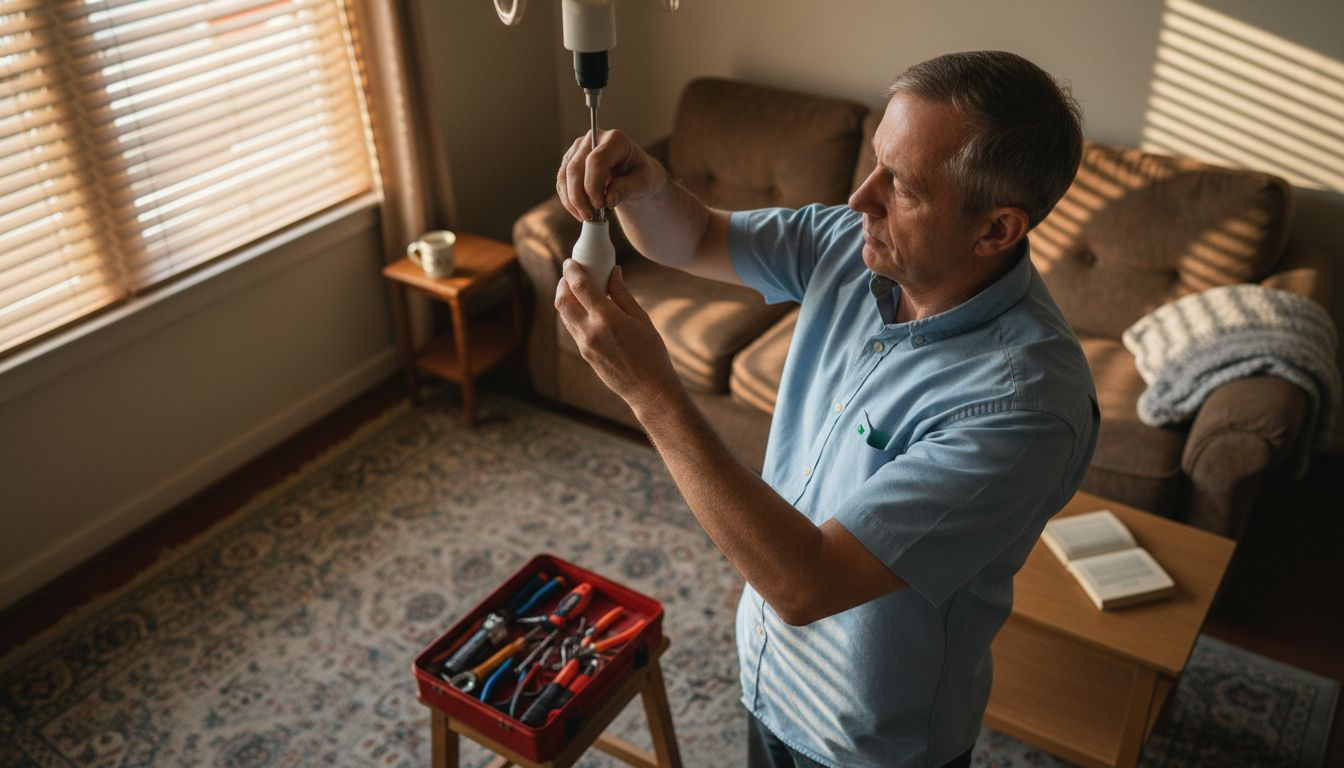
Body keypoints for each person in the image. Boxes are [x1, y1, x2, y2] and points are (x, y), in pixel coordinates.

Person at [552, 51, 1099, 768]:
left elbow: (805, 584)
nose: (859, 198)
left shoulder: (1022, 408)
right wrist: (643, 187)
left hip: (865, 738)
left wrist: (651, 393)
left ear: (996, 230)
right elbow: (694, 237)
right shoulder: (854, 246)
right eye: (875, 162)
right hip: (769, 675)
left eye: (902, 186)